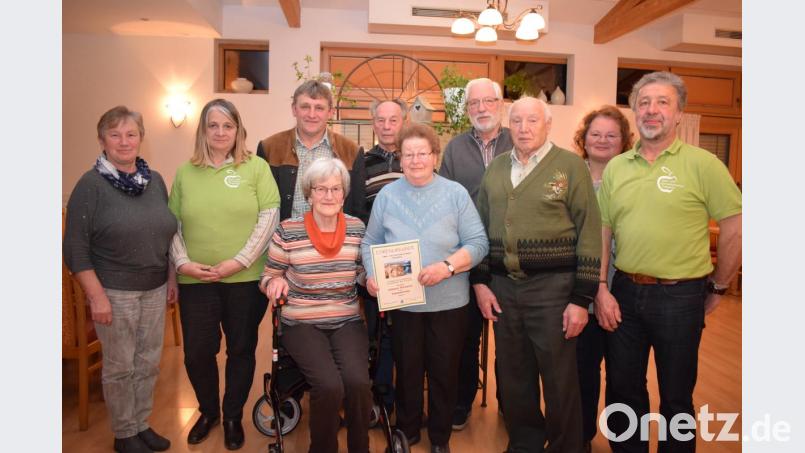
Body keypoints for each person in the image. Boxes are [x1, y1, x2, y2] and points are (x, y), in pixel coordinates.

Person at [596, 71, 742, 453]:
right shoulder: (617, 167)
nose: (652, 110)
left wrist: (720, 285)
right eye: (644, 103)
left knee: (677, 396)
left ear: (679, 114)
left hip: (680, 297)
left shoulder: (703, 164)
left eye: (662, 102)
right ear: (635, 113)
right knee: (623, 391)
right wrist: (600, 287)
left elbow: (736, 225)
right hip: (624, 290)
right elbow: (603, 230)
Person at [472, 96, 601, 453]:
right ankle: (525, 442)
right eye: (517, 121)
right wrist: (480, 282)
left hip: (554, 291)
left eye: (532, 121)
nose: (524, 128)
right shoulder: (496, 168)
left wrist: (581, 299)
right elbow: (480, 230)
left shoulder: (571, 167)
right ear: (508, 126)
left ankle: (567, 446)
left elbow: (590, 232)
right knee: (513, 376)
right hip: (504, 290)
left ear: (547, 125)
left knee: (559, 378)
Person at [362, 123, 489, 453]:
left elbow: (478, 243)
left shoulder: (455, 194)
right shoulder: (388, 195)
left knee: (444, 372)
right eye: (408, 154)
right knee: (407, 369)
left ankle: (439, 437)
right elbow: (371, 241)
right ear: (400, 159)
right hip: (404, 303)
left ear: (435, 156)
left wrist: (447, 267)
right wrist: (373, 274)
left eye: (423, 153)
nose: (416, 160)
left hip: (449, 303)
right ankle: (407, 431)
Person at [63, 106, 177, 453]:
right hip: (115, 293)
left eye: (131, 134)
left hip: (155, 288)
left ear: (141, 138)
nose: (124, 141)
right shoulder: (90, 185)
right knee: (119, 367)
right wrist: (96, 297)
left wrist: (171, 277)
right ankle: (124, 432)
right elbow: (75, 248)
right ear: (102, 141)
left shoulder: (154, 180)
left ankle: (140, 424)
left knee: (147, 364)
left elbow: (167, 233)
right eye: (115, 135)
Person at [168, 99, 280, 450]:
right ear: (203, 130)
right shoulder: (186, 172)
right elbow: (172, 224)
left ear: (238, 131)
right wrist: (183, 263)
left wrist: (241, 261)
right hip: (195, 281)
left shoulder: (256, 168)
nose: (220, 132)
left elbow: (269, 216)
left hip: (244, 281)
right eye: (213, 125)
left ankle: (232, 416)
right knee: (198, 352)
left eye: (227, 126)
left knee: (241, 349)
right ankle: (208, 412)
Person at [261, 157, 372, 453]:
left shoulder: (357, 228)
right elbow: (269, 275)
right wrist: (274, 283)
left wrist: (371, 281)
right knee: (329, 385)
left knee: (358, 382)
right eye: (321, 189)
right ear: (309, 193)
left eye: (336, 189)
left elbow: (361, 271)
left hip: (346, 319)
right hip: (301, 322)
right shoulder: (288, 230)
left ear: (344, 194)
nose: (329, 196)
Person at [439, 77, 513, 430]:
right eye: (473, 104)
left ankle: (512, 404)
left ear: (501, 104)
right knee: (466, 337)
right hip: (467, 257)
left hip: (512, 257)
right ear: (466, 109)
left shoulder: (521, 141)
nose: (481, 109)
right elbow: (444, 199)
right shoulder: (454, 148)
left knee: (513, 339)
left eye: (488, 101)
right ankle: (461, 402)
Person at [571, 105, 633, 452]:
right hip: (579, 290)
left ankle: (622, 440)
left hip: (623, 288)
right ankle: (579, 437)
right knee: (581, 371)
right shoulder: (570, 174)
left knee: (623, 375)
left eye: (611, 135)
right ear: (584, 137)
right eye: (596, 133)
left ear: (624, 141)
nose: (602, 140)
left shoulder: (632, 176)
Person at [257, 79, 366, 222]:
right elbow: (260, 205)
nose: (312, 114)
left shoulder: (351, 151)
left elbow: (357, 208)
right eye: (305, 107)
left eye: (319, 108)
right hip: (285, 240)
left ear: (330, 112)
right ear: (294, 109)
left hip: (335, 241)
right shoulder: (269, 148)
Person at [363, 98, 408, 414]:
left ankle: (401, 401)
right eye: (381, 120)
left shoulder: (416, 158)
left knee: (400, 335)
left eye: (393, 119)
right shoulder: (361, 162)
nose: (387, 126)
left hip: (409, 263)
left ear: (403, 121)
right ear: (373, 123)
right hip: (374, 261)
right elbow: (356, 211)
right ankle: (379, 396)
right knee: (374, 334)